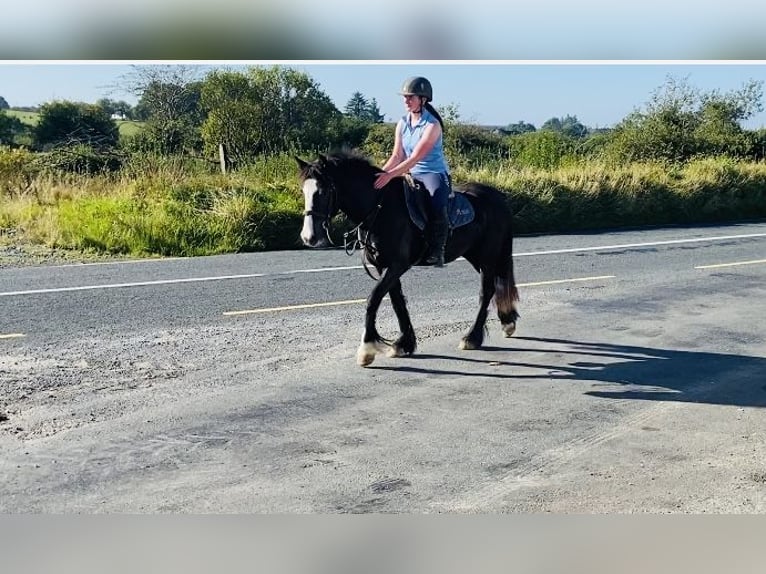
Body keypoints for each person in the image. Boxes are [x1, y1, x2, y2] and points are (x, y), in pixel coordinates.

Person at [373, 76, 451, 267]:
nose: (406, 101)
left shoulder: (432, 125)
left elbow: (415, 158)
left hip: (433, 174)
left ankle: (437, 250)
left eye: (411, 97)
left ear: (423, 99)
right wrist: (380, 174)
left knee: (435, 200)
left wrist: (391, 175)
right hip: (409, 172)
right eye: (405, 97)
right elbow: (397, 156)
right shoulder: (402, 123)